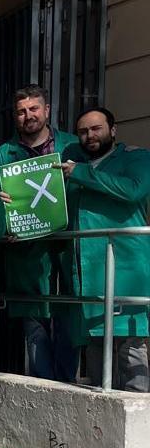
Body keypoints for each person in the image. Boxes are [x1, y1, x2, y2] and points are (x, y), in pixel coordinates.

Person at [0, 84, 79, 383]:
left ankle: (66, 387)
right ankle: (44, 389)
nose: (28, 116)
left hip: (66, 249)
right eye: (22, 111)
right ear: (15, 117)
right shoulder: (4, 154)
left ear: (47, 110)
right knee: (35, 327)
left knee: (68, 319)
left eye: (34, 109)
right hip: (26, 252)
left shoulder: (72, 146)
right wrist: (2, 217)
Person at [61, 107, 149, 392]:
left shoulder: (135, 157)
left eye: (96, 128)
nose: (90, 135)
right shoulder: (73, 165)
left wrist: (80, 172)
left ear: (113, 130)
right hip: (88, 276)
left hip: (126, 272)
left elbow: (132, 190)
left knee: (132, 357)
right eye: (83, 131)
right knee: (98, 367)